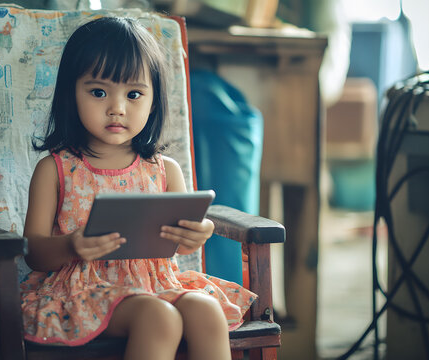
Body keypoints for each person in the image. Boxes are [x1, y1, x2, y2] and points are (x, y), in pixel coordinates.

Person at [20, 16, 257, 360]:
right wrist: (73, 245)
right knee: (158, 317)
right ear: (71, 93)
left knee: (206, 311)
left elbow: (176, 239)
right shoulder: (56, 170)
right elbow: (33, 252)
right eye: (98, 92)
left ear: (153, 101)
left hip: (157, 283)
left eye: (133, 94)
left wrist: (197, 231)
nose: (117, 108)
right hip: (80, 290)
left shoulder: (163, 170)